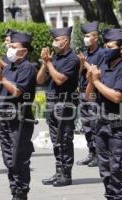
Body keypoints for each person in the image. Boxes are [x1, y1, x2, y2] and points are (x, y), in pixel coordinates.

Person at [86, 28, 122, 200]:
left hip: (119, 128)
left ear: (121, 49)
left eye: (111, 47)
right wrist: (90, 80)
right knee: (105, 169)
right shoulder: (102, 67)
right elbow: (89, 96)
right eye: (105, 46)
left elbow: (116, 97)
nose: (107, 50)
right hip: (101, 125)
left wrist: (96, 81)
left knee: (118, 169)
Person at [0, 31, 37, 200]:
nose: (9, 49)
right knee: (8, 157)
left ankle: (21, 192)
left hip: (20, 119)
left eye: (13, 47)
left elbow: (17, 91)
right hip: (5, 117)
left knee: (19, 157)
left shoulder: (28, 68)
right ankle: (14, 191)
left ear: (24, 51)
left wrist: (1, 77)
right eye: (9, 46)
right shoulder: (9, 67)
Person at [37, 27, 80, 187]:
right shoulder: (54, 58)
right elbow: (40, 80)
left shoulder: (72, 59)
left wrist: (49, 62)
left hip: (65, 104)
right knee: (56, 140)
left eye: (57, 40)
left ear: (66, 41)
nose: (54, 43)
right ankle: (58, 171)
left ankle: (66, 174)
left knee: (65, 140)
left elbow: (60, 79)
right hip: (52, 102)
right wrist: (44, 62)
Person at [76, 21, 104, 167]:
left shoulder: (102, 53)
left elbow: (96, 73)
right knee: (86, 125)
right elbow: (79, 73)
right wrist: (81, 63)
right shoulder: (84, 53)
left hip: (94, 93)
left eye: (88, 36)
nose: (85, 38)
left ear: (96, 38)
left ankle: (99, 155)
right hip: (82, 92)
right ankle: (91, 153)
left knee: (94, 124)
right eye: (84, 36)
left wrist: (85, 63)